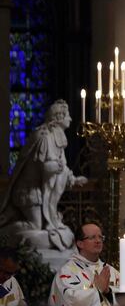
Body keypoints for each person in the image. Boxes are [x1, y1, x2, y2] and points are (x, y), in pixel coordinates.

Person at [0, 100, 87, 250]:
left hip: (40, 194)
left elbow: (61, 166)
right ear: (59, 117)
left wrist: (72, 179)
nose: (71, 119)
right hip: (29, 193)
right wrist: (58, 167)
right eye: (68, 116)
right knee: (36, 226)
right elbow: (46, 166)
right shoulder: (44, 137)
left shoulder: (57, 136)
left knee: (45, 228)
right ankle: (5, 233)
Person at [49, 223, 120, 306]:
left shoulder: (110, 271)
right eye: (92, 237)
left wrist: (108, 291)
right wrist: (98, 289)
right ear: (80, 243)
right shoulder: (67, 272)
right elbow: (69, 299)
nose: (98, 241)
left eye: (100, 237)